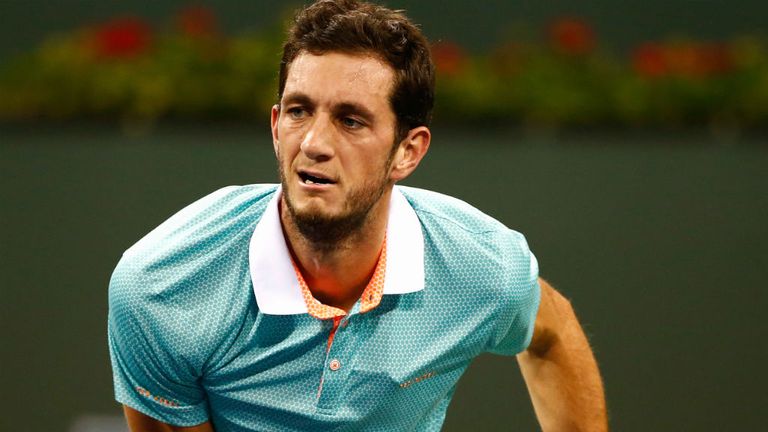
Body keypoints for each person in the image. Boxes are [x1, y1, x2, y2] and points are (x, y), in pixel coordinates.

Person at [108, 0, 608, 430]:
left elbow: (552, 330)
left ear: (407, 152)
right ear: (276, 125)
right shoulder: (162, 287)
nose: (314, 144)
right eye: (300, 111)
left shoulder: (480, 265)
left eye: (350, 120)